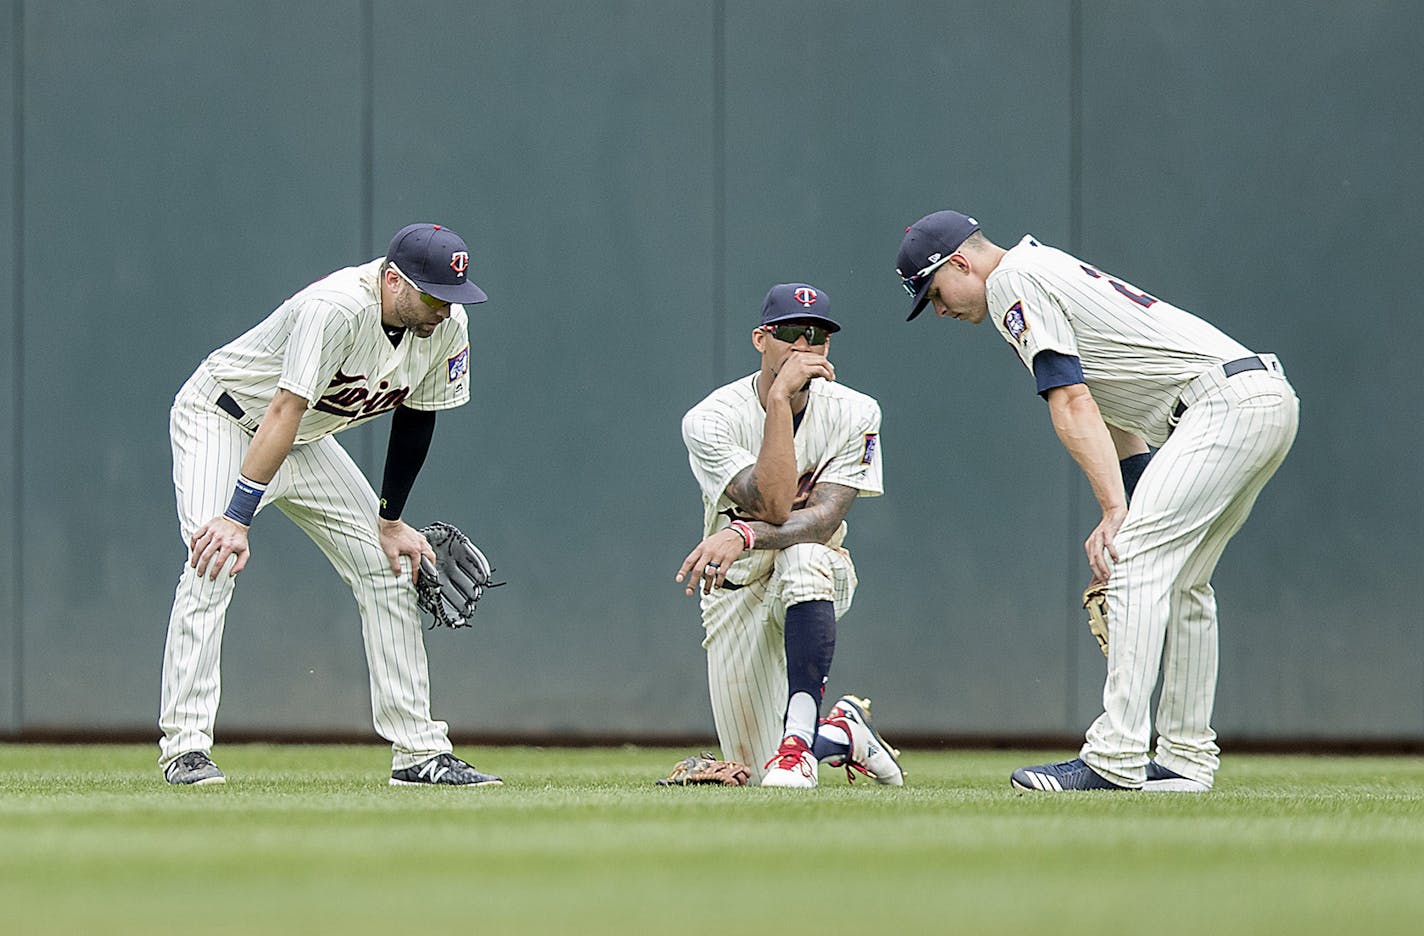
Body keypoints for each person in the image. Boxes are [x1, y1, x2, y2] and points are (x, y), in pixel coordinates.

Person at [895, 210, 1299, 792]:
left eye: (933, 292)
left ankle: (1115, 757)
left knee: (1132, 561)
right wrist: (1127, 502)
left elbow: (1073, 401)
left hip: (1221, 407)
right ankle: (1186, 759)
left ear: (959, 262)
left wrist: (1116, 515)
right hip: (1255, 398)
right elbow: (1112, 407)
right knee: (1184, 581)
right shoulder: (1040, 266)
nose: (938, 308)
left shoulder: (1013, 280)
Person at [159, 223, 502, 787]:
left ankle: (419, 753)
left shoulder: (447, 324)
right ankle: (185, 748)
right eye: (435, 294)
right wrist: (236, 516)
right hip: (224, 417)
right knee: (212, 559)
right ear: (394, 281)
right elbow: (283, 409)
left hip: (304, 437)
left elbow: (419, 415)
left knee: (390, 565)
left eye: (454, 295)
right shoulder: (336, 308)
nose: (447, 307)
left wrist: (390, 522)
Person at [677, 283, 903, 788]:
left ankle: (800, 740)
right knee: (758, 775)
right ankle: (845, 735)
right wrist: (779, 400)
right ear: (761, 339)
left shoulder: (856, 411)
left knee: (804, 554)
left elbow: (822, 521)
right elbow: (774, 504)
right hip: (734, 590)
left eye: (817, 337)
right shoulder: (711, 419)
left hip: (820, 572)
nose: (804, 347)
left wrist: (744, 534)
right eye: (790, 335)